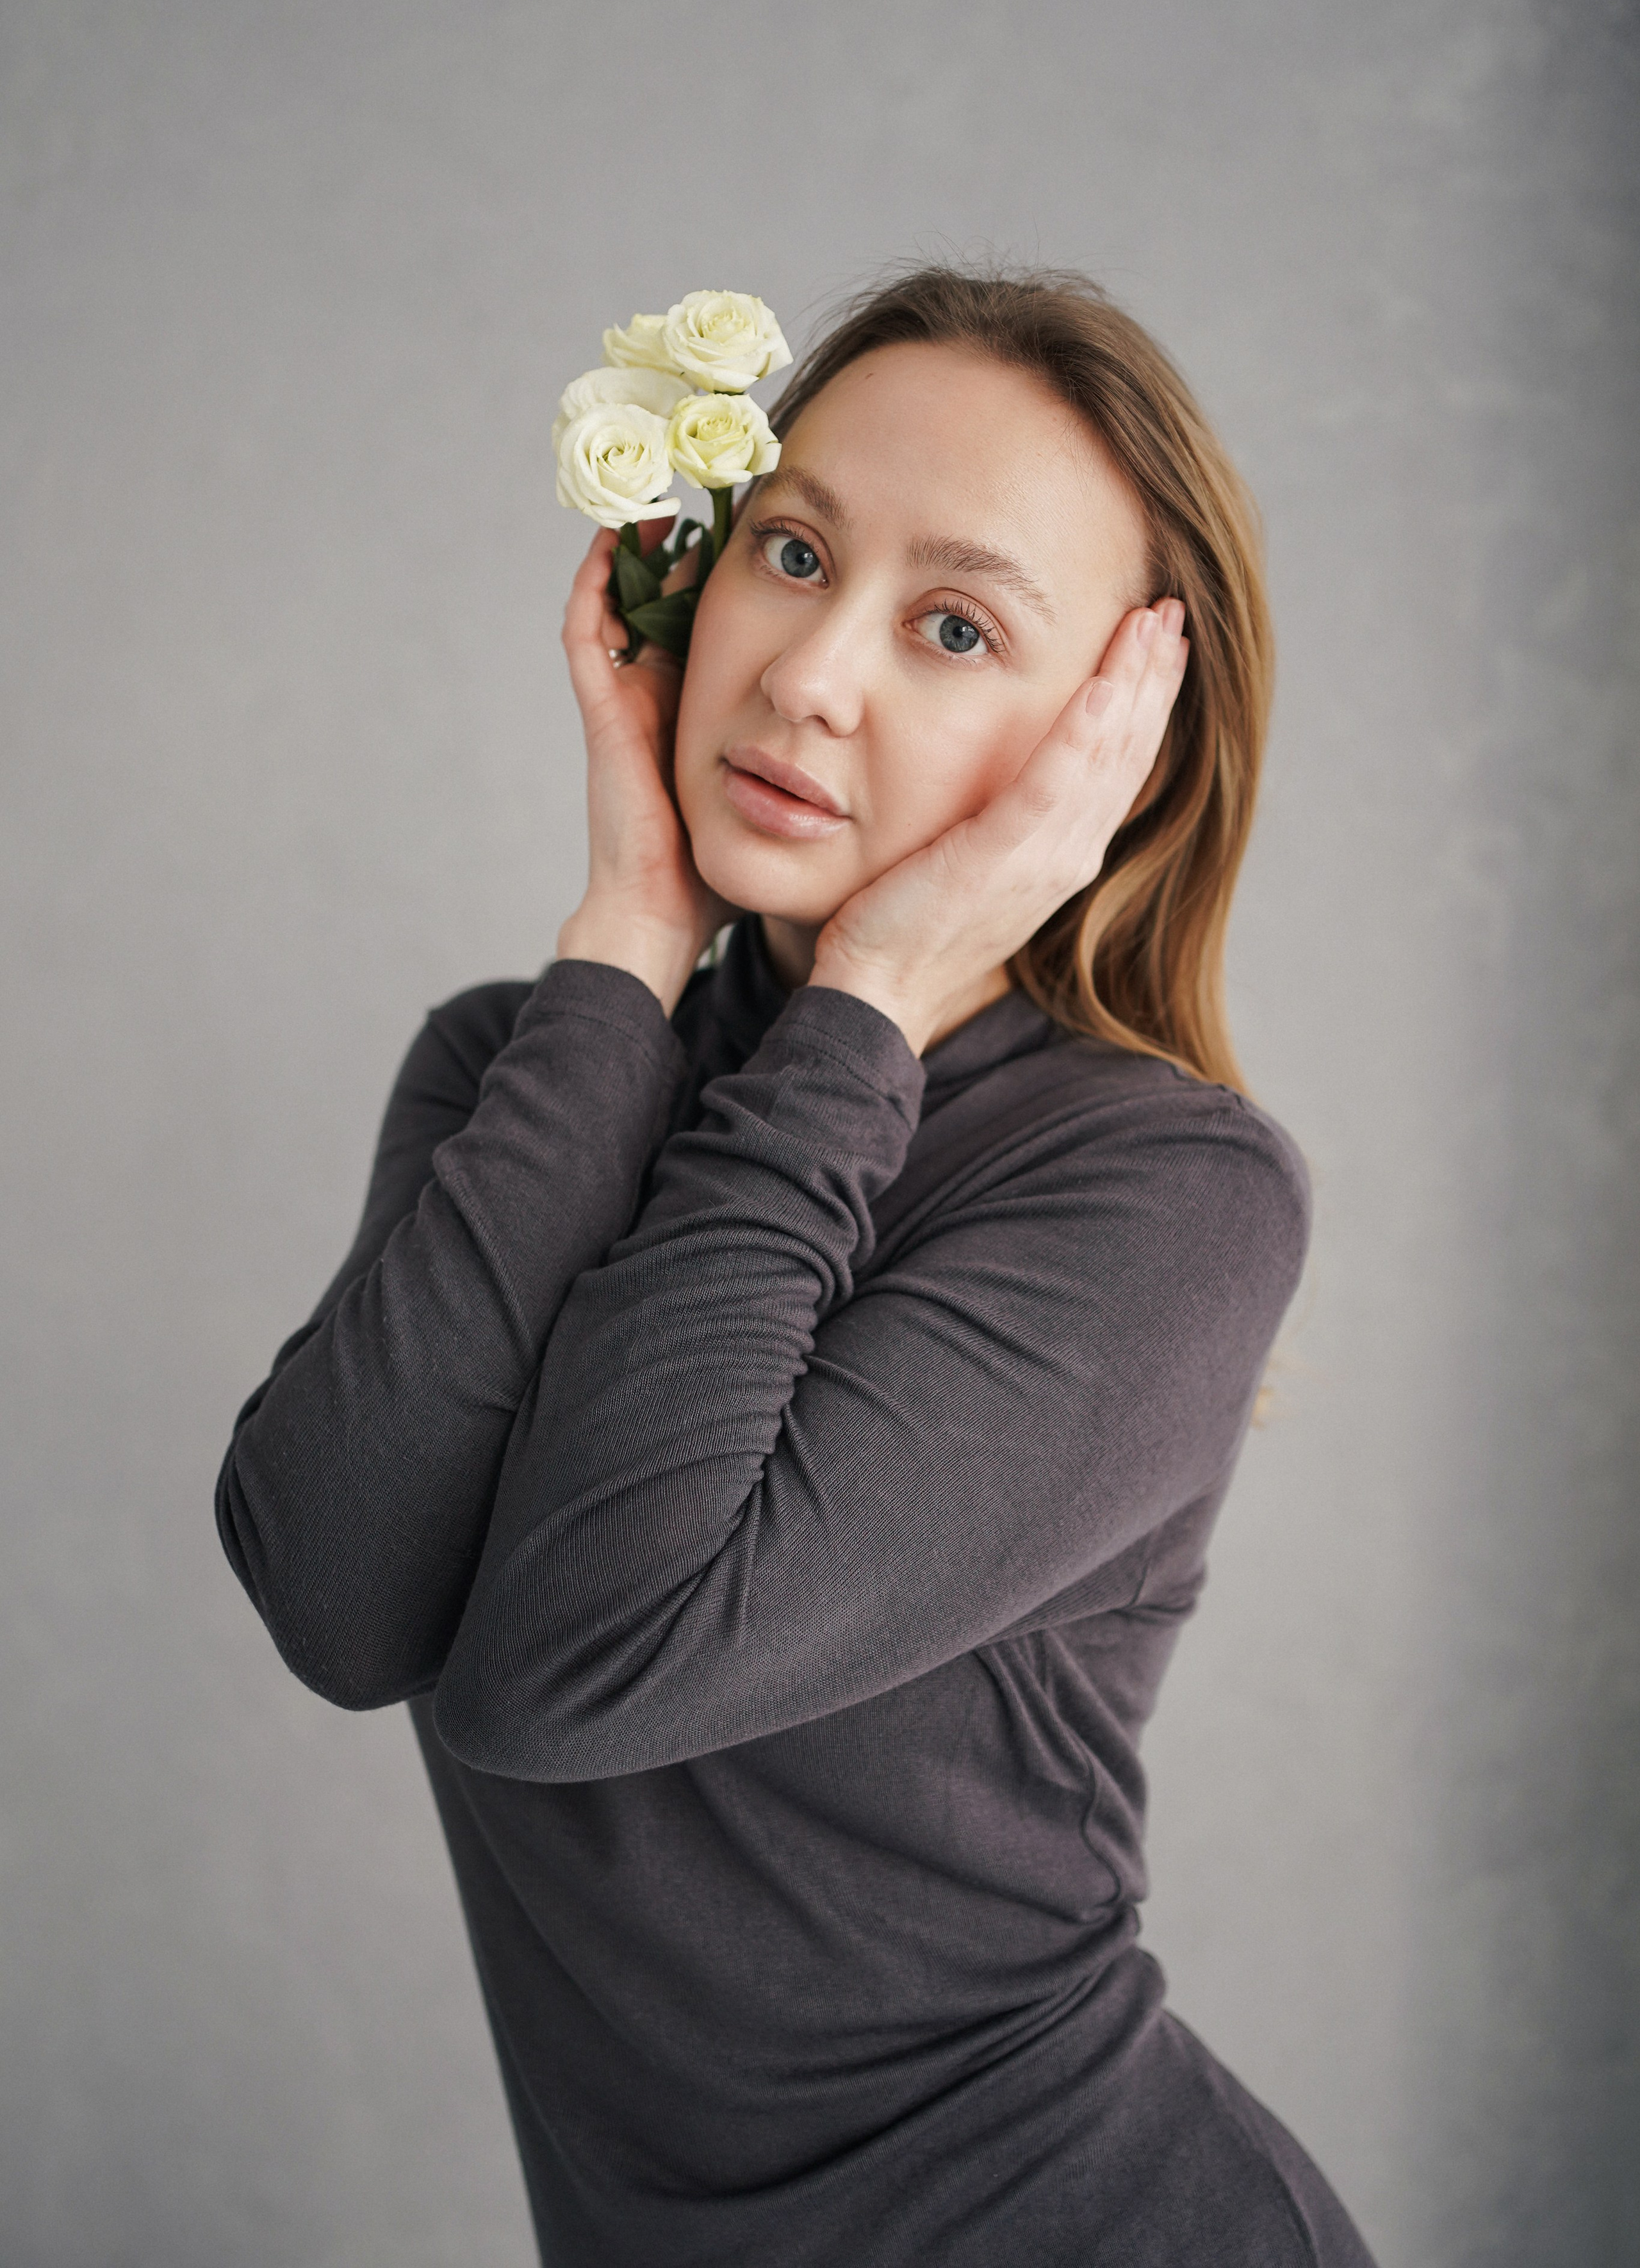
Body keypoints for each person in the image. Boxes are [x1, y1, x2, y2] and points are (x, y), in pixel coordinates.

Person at [216, 265, 1377, 2266]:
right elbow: (335, 1594)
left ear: (1116, 752)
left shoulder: (1172, 1197)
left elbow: (577, 1663)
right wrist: (626, 939)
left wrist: (873, 1008)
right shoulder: (524, 1063)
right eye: (792, 549)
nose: (812, 671)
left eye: (952, 626)